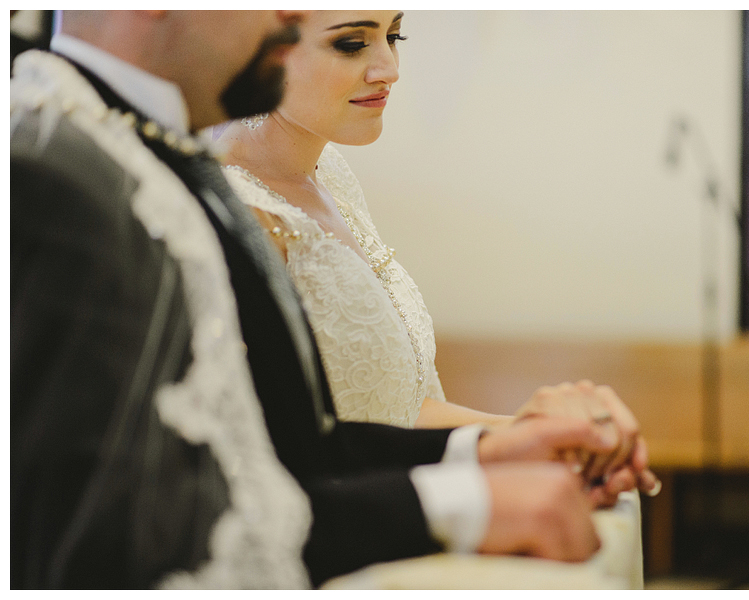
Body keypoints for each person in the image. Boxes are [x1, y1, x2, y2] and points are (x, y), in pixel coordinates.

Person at [12, 11, 649, 589]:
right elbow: (103, 548)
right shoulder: (49, 168)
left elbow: (282, 448)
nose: (286, 17)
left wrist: (486, 450)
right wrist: (459, 505)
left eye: (392, 35)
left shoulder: (156, 144)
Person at [218, 8, 659, 488]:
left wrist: (540, 435)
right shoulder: (237, 212)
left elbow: (397, 410)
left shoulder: (331, 177)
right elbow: (274, 455)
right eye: (351, 44)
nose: (390, 68)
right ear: (266, 45)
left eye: (394, 35)